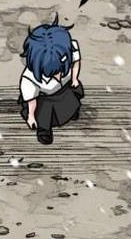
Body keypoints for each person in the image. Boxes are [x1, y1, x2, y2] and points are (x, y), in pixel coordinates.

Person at [18, 17, 83, 145]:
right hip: (45, 98)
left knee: (74, 95)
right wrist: (31, 116)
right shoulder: (30, 78)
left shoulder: (69, 49)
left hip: (65, 89)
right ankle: (44, 130)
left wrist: (74, 78)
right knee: (44, 114)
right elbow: (32, 100)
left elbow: (76, 62)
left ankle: (71, 111)